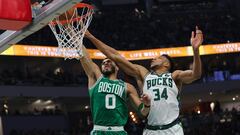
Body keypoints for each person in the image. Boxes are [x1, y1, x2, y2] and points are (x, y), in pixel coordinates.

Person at [84, 26, 203, 135]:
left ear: (166, 64)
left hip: (173, 129)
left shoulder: (174, 76)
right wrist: (91, 37)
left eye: (158, 58)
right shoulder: (143, 74)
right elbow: (115, 55)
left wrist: (196, 51)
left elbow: (195, 74)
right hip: (151, 130)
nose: (153, 59)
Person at [79, 45, 151, 135]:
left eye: (109, 61)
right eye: (103, 62)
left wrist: (147, 105)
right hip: (99, 130)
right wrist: (75, 37)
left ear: (117, 68)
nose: (105, 63)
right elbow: (85, 58)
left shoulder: (128, 87)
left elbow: (143, 112)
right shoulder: (97, 79)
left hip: (118, 131)